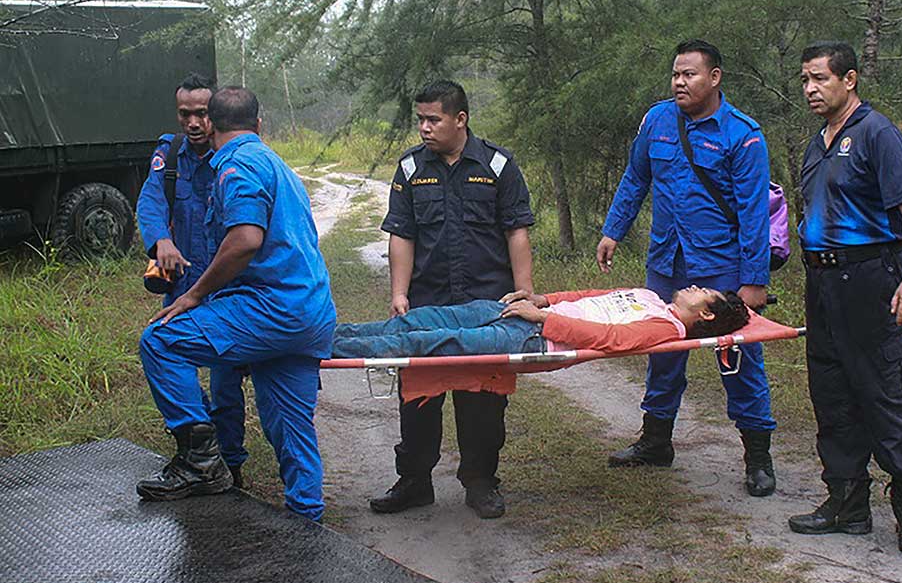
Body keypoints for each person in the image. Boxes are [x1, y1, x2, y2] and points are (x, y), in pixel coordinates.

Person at [136, 87, 336, 522]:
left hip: (271, 309)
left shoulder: (236, 165)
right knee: (290, 425)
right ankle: (307, 519)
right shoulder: (277, 164)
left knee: (159, 341)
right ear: (259, 125)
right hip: (310, 312)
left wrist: (194, 294)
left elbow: (245, 239)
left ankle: (201, 462)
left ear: (211, 125)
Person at [597, 39, 777, 497]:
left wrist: (754, 280)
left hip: (721, 266)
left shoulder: (743, 135)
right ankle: (656, 441)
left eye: (689, 74)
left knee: (738, 359)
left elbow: (754, 214)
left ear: (714, 78)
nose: (679, 82)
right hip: (667, 261)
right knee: (662, 349)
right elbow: (636, 178)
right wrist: (613, 230)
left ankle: (758, 458)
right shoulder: (657, 121)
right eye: (676, 74)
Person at [788, 41, 902, 554]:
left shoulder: (877, 132)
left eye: (820, 79)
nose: (810, 89)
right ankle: (848, 503)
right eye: (805, 81)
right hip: (822, 284)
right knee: (831, 393)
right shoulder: (817, 144)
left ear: (849, 79)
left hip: (872, 279)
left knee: (883, 394)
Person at [373, 79, 535, 519]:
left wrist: (525, 292)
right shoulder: (410, 168)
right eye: (420, 120)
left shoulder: (498, 165)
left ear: (460, 119)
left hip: (487, 305)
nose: (424, 128)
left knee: (483, 397)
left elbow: (516, 230)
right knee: (419, 396)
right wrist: (399, 293)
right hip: (428, 303)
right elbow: (401, 235)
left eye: (434, 119)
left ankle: (480, 481)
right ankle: (414, 482)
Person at [135, 73, 248, 488]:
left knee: (225, 380)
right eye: (185, 113)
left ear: (215, 112)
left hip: (225, 285)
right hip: (183, 284)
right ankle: (201, 451)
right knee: (168, 354)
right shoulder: (170, 154)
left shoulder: (234, 158)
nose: (194, 122)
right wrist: (160, 240)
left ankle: (231, 463)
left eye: (202, 113)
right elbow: (150, 202)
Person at [333, 286, 750, 359]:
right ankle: (328, 335)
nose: (694, 286)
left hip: (533, 335)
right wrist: (543, 299)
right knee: (422, 319)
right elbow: (590, 297)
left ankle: (321, 348)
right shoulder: (649, 297)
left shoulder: (667, 328)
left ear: (706, 314)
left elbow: (609, 339)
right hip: (529, 313)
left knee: (427, 342)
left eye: (703, 292)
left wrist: (543, 317)